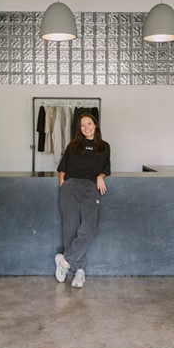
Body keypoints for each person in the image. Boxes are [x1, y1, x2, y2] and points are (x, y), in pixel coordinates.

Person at [55, 113, 111, 288]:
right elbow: (62, 169)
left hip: (89, 188)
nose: (86, 127)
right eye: (82, 125)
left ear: (95, 125)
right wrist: (63, 186)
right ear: (79, 128)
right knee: (71, 229)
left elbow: (105, 168)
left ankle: (64, 260)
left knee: (89, 228)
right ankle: (80, 271)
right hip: (70, 188)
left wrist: (101, 176)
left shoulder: (104, 146)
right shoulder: (73, 146)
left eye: (89, 124)